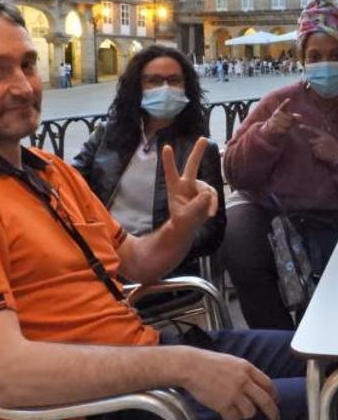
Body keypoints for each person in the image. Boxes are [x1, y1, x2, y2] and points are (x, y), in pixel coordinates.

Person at [0, 0, 338, 420]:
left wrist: (179, 226)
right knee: (336, 399)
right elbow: (7, 376)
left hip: (143, 353)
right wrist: (182, 364)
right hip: (94, 402)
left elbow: (135, 261)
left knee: (334, 361)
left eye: (28, 64)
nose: (23, 86)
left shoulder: (47, 170)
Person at [221, 0, 338, 330]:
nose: (325, 64)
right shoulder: (277, 102)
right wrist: (268, 134)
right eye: (314, 56)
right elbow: (235, 171)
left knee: (335, 281)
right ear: (301, 59)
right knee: (238, 235)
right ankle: (278, 346)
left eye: (335, 55)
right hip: (273, 212)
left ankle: (326, 356)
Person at [72, 45, 226, 280]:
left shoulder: (200, 149)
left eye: (174, 80)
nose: (165, 88)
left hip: (160, 267)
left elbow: (212, 230)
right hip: (97, 255)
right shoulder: (107, 135)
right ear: (137, 87)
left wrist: (173, 238)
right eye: (153, 81)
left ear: (187, 87)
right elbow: (69, 185)